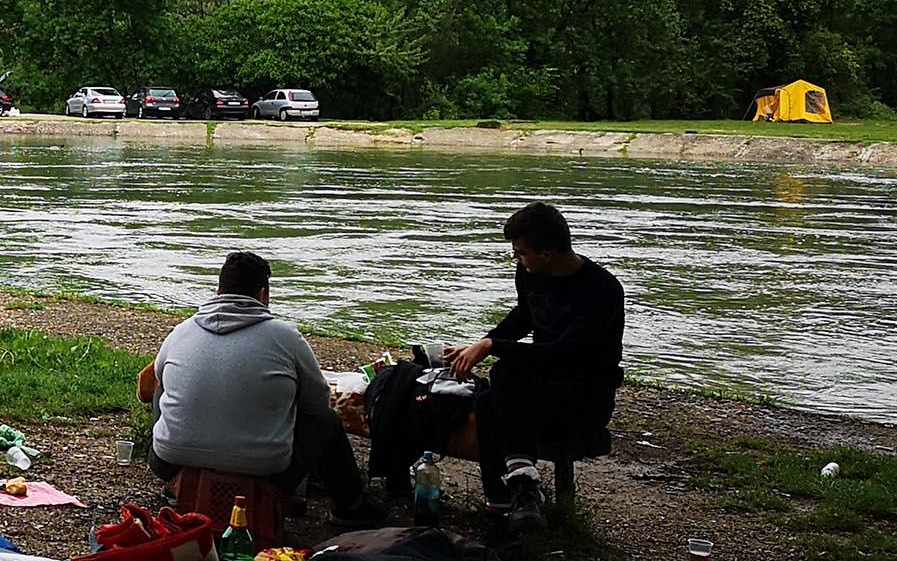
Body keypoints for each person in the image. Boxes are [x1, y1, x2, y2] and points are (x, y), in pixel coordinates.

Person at [143, 250, 385, 525]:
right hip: (267, 469)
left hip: (168, 461)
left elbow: (156, 386)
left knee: (163, 385)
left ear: (219, 290)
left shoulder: (181, 332)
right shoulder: (285, 337)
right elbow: (317, 406)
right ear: (263, 295)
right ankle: (350, 506)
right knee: (326, 420)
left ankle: (176, 486)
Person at [443, 201, 625, 530]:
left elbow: (564, 353)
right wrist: (476, 346)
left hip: (584, 397)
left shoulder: (602, 291)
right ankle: (510, 499)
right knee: (490, 396)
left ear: (548, 254)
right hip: (540, 387)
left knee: (503, 377)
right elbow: (523, 318)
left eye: (521, 253)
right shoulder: (530, 273)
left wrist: (491, 347)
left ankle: (515, 495)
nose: (517, 259)